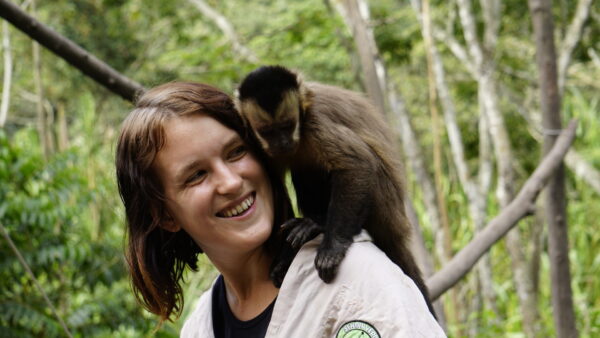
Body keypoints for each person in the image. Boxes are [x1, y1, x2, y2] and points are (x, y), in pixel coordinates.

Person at [115, 81, 445, 337]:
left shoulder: (360, 284)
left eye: (235, 152)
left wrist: (335, 239)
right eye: (197, 175)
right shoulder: (201, 325)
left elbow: (356, 170)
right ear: (164, 215)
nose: (230, 182)